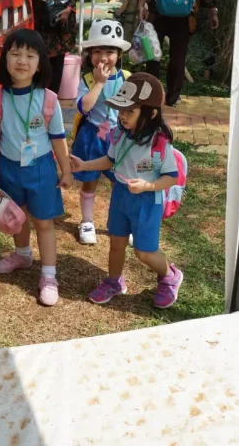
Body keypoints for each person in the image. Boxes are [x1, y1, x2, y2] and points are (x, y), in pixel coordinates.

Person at [70, 73, 184, 309]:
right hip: (121, 195)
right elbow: (110, 160)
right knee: (116, 242)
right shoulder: (119, 133)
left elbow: (171, 177)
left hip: (146, 201)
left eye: (129, 111)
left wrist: (147, 186)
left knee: (144, 252)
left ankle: (170, 275)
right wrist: (84, 165)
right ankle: (114, 281)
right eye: (121, 110)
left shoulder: (159, 143)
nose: (122, 116)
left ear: (151, 113)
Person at [0, 29, 74, 306]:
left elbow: (58, 137)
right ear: (4, 59)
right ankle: (22, 254)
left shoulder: (48, 99)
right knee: (16, 217)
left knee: (43, 222)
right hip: (9, 168)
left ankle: (48, 275)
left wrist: (66, 169)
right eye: (15, 54)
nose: (22, 61)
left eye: (30, 55)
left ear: (40, 63)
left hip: (41, 168)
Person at [70, 19, 132, 246]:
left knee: (123, 182)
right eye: (97, 51)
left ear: (119, 54)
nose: (104, 57)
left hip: (120, 137)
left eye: (110, 51)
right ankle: (87, 221)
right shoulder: (87, 79)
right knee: (90, 180)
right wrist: (98, 83)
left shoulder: (126, 77)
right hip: (92, 138)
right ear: (90, 54)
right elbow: (84, 106)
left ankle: (126, 220)